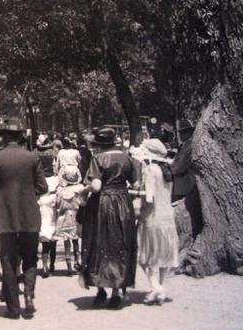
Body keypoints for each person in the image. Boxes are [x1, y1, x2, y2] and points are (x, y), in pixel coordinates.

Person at [0, 117, 48, 319]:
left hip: (5, 217)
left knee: (8, 261)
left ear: (5, 135)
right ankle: (28, 295)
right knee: (29, 258)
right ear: (21, 136)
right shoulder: (32, 158)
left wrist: (1, 194)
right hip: (29, 215)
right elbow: (43, 187)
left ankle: (13, 307)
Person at [80, 126, 138, 309]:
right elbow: (136, 184)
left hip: (103, 204)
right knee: (120, 244)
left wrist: (85, 189)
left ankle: (100, 291)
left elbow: (96, 186)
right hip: (122, 203)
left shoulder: (98, 159)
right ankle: (117, 292)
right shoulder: (128, 158)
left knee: (99, 243)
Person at [136, 139, 179, 305]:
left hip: (152, 217)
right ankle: (161, 287)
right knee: (163, 257)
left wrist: (134, 194)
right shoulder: (167, 170)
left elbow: (149, 197)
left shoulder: (150, 170)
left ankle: (156, 287)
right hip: (167, 216)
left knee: (146, 257)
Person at [56, 166, 86, 275]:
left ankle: (68, 265)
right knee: (76, 240)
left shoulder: (60, 190)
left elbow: (57, 204)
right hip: (77, 216)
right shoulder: (80, 189)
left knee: (66, 241)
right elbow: (83, 203)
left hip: (64, 217)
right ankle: (77, 261)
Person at [171, 119, 196, 201]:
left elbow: (179, 168)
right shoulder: (185, 146)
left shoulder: (189, 147)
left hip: (184, 187)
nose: (180, 135)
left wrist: (170, 168)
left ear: (189, 133)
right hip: (181, 186)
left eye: (183, 132)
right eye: (180, 132)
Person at [38, 179, 58, 277]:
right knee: (53, 246)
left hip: (43, 224)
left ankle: (44, 265)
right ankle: (52, 265)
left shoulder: (41, 200)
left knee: (45, 247)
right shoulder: (54, 199)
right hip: (53, 223)